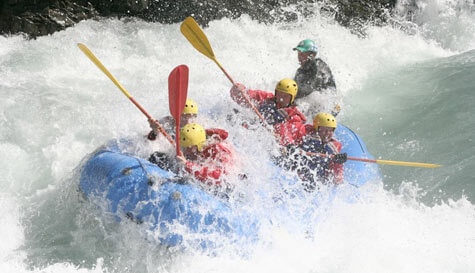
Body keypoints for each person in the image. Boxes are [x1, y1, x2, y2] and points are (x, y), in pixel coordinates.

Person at [229, 79, 307, 146]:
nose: (282, 98)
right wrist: (239, 90)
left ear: (292, 98)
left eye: (286, 96)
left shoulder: (294, 116)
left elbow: (288, 133)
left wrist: (279, 135)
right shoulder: (267, 98)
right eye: (280, 93)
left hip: (272, 140)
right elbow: (247, 96)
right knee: (233, 115)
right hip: (255, 127)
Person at [285, 112, 347, 190]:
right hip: (298, 168)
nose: (327, 133)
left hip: (316, 177)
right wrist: (290, 145)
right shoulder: (305, 133)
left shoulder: (334, 147)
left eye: (330, 130)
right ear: (317, 129)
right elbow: (287, 132)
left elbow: (337, 178)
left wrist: (339, 163)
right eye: (324, 130)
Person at [293, 39, 340, 117]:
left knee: (312, 98)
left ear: (312, 55)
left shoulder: (319, 67)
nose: (299, 57)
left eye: (302, 54)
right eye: (298, 54)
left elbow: (309, 88)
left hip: (330, 107)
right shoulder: (300, 70)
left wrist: (290, 96)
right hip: (315, 104)